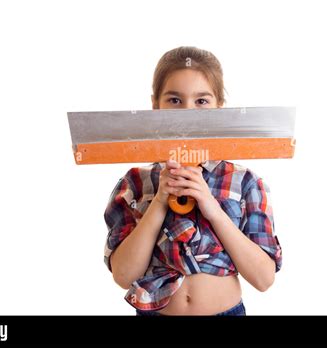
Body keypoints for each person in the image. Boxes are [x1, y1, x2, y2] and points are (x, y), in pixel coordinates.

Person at [103, 46, 282, 316]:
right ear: (156, 107)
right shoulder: (135, 183)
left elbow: (263, 279)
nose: (187, 112)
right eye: (175, 100)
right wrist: (160, 200)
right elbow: (124, 276)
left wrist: (212, 208)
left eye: (201, 101)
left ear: (219, 108)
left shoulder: (245, 181)